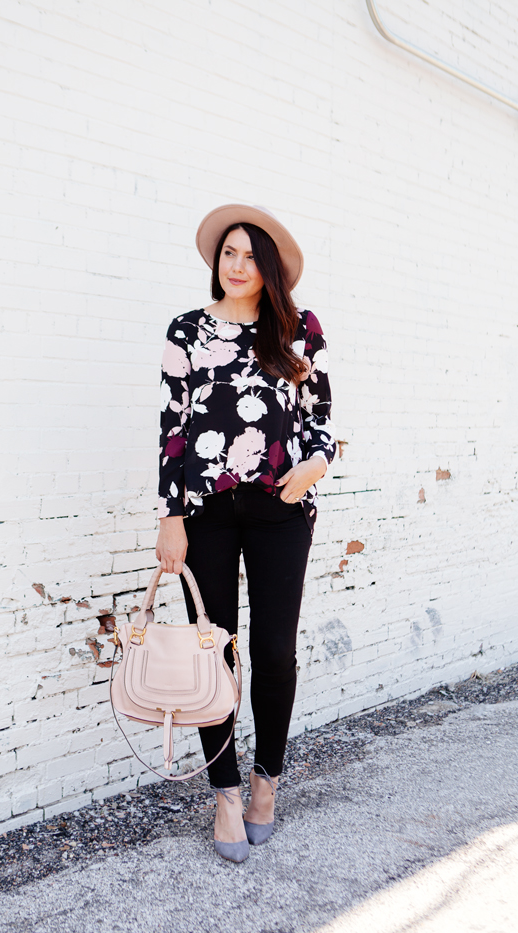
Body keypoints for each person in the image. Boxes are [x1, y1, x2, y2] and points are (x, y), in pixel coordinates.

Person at [155, 204, 336, 862]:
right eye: (229, 253)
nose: (237, 265)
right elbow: (174, 431)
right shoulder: (187, 331)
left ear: (270, 269)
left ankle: (268, 783)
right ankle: (226, 794)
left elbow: (320, 414)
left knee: (275, 652)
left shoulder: (297, 328)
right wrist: (170, 517)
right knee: (214, 655)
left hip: (280, 508)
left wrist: (319, 461)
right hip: (205, 512)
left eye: (250, 256)